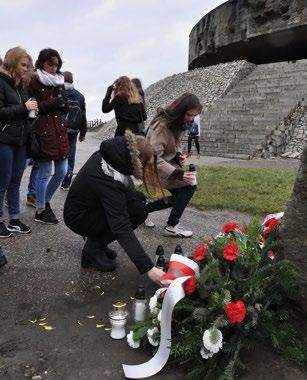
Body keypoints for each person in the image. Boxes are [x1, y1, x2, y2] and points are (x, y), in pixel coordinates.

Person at [63, 130, 165, 286]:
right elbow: (121, 226)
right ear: (137, 161)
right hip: (79, 217)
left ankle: (98, 243)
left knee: (138, 203)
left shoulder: (115, 156)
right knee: (137, 212)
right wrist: (149, 268)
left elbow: (125, 194)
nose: (147, 170)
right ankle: (93, 248)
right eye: (146, 166)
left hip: (90, 208)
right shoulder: (109, 177)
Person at [146, 93, 202, 237]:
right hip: (153, 168)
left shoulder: (176, 122)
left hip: (166, 165)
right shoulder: (162, 126)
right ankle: (171, 226)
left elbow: (174, 144)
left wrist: (178, 156)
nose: (191, 119)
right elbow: (153, 157)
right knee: (189, 185)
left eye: (193, 116)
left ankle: (142, 210)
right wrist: (179, 173)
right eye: (189, 115)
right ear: (180, 110)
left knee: (178, 196)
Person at [0, 47, 38, 237]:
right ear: (13, 62)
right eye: (23, 64)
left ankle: (14, 218)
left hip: (20, 141)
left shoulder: (23, 86)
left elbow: (23, 115)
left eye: (28, 66)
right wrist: (23, 107)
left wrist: (32, 113)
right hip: (4, 140)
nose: (26, 69)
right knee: (2, 182)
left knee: (15, 182)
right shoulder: (1, 82)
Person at [29, 48, 70, 224]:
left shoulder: (59, 82)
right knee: (44, 172)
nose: (54, 68)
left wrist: (64, 103)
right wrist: (53, 102)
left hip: (59, 131)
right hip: (43, 131)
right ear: (41, 63)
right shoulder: (33, 80)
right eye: (50, 64)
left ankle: (44, 201)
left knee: (62, 171)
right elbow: (32, 106)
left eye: (57, 64)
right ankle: (40, 209)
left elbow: (63, 109)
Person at [61, 71, 87, 190]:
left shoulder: (60, 92)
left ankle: (63, 174)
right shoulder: (80, 96)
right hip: (74, 130)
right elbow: (83, 116)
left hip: (61, 129)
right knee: (71, 155)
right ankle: (67, 181)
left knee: (60, 154)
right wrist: (83, 132)